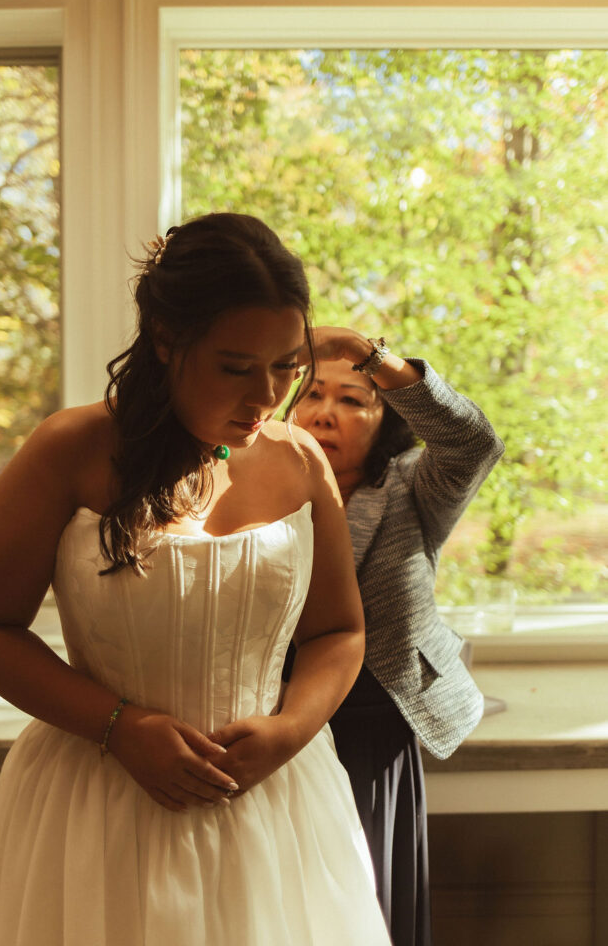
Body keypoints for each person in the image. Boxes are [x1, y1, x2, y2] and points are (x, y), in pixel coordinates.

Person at [0, 215, 389, 946]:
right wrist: (121, 726)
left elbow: (338, 631)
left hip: (274, 806)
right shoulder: (70, 449)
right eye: (236, 368)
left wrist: (289, 731)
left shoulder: (301, 461)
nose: (266, 396)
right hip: (97, 804)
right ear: (165, 339)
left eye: (286, 366)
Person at [294, 325, 505, 946]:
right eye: (311, 394)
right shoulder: (254, 489)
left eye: (352, 399)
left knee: (367, 898)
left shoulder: (413, 487)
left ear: (385, 420)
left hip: (371, 727)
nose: (325, 413)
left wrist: (367, 352)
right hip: (275, 722)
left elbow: (473, 441)